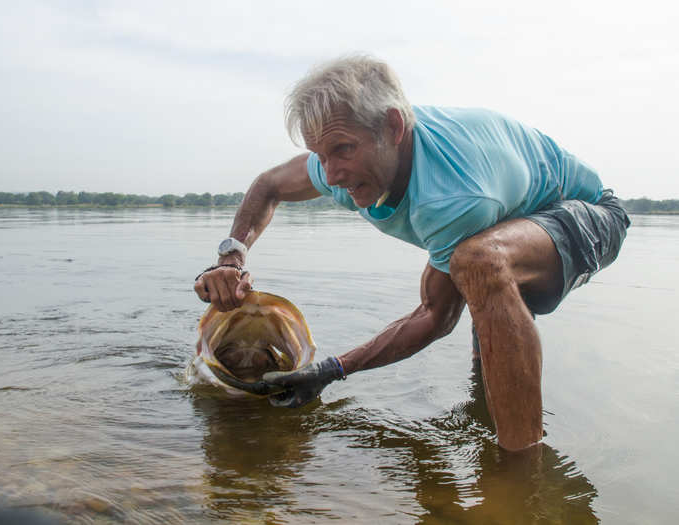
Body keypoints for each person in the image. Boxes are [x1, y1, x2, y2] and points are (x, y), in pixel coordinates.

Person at [194, 56, 630, 451]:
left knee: (476, 264)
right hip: (505, 222)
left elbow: (434, 318)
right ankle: (486, 421)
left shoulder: (454, 195)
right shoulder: (337, 166)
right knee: (488, 356)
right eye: (320, 155)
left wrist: (331, 369)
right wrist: (231, 257)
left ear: (394, 128)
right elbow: (269, 185)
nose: (331, 174)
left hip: (587, 213)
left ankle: (519, 480)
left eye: (344, 150)